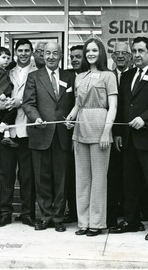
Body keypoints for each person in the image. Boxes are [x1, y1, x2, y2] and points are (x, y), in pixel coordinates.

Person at [110, 36, 148, 241]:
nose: (136, 55)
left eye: (140, 51)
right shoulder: (127, 76)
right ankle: (131, 221)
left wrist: (145, 118)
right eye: (134, 51)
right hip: (128, 139)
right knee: (130, 183)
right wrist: (118, 133)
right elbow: (122, 106)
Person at [64, 37, 118, 237]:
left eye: (94, 50)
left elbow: (113, 107)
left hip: (99, 125)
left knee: (98, 179)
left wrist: (106, 132)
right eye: (88, 50)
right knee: (82, 178)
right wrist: (70, 118)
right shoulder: (79, 77)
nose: (90, 54)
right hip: (81, 128)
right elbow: (78, 104)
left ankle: (96, 222)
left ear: (101, 52)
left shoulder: (108, 76)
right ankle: (83, 222)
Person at [22, 41, 75, 232]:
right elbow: (28, 103)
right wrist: (35, 118)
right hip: (40, 133)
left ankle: (59, 217)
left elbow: (76, 102)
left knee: (61, 179)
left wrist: (72, 119)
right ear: (42, 55)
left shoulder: (70, 77)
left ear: (61, 55)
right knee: (41, 178)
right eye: (47, 53)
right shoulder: (33, 77)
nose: (51, 57)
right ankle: (45, 216)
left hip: (63, 135)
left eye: (55, 53)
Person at [0, 38, 37, 228]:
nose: (24, 53)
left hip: (27, 129)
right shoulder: (5, 71)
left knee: (27, 175)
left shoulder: (38, 72)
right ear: (15, 52)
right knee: (6, 174)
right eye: (20, 50)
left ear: (31, 52)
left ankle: (27, 213)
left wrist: (19, 102)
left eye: (27, 50)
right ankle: (5, 212)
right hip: (6, 130)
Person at [107, 41, 132, 229]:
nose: (121, 56)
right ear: (112, 56)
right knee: (112, 176)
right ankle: (112, 215)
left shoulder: (134, 75)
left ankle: (130, 213)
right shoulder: (108, 76)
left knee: (130, 177)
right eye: (117, 53)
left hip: (132, 135)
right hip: (110, 134)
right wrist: (114, 132)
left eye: (124, 53)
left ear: (130, 56)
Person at [64, 44, 84, 224]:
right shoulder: (67, 76)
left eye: (78, 56)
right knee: (70, 174)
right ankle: (72, 211)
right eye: (72, 57)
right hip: (68, 133)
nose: (75, 59)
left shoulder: (95, 75)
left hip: (87, 131)